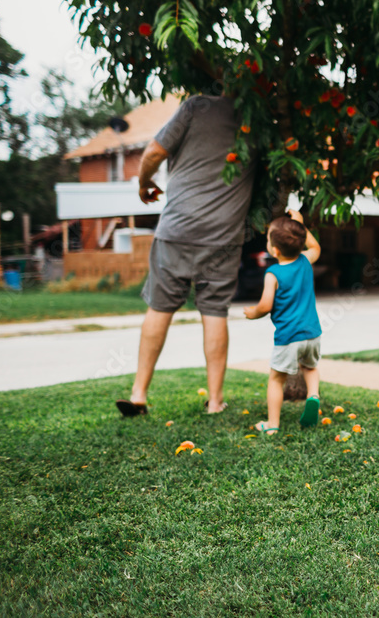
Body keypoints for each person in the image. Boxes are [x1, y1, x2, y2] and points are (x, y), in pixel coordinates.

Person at [115, 94, 254, 417]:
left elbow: (153, 152)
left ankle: (139, 394)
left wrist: (143, 184)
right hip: (224, 236)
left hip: (178, 230)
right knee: (215, 312)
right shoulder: (261, 120)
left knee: (160, 308)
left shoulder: (195, 106)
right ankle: (216, 401)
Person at [244, 211, 322, 434]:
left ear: (275, 250)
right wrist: (300, 225)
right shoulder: (306, 261)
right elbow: (315, 247)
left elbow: (266, 305)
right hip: (313, 334)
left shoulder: (273, 273)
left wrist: (252, 313)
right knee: (311, 367)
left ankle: (272, 425)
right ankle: (313, 395)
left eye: (268, 238)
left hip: (288, 337)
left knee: (276, 380)